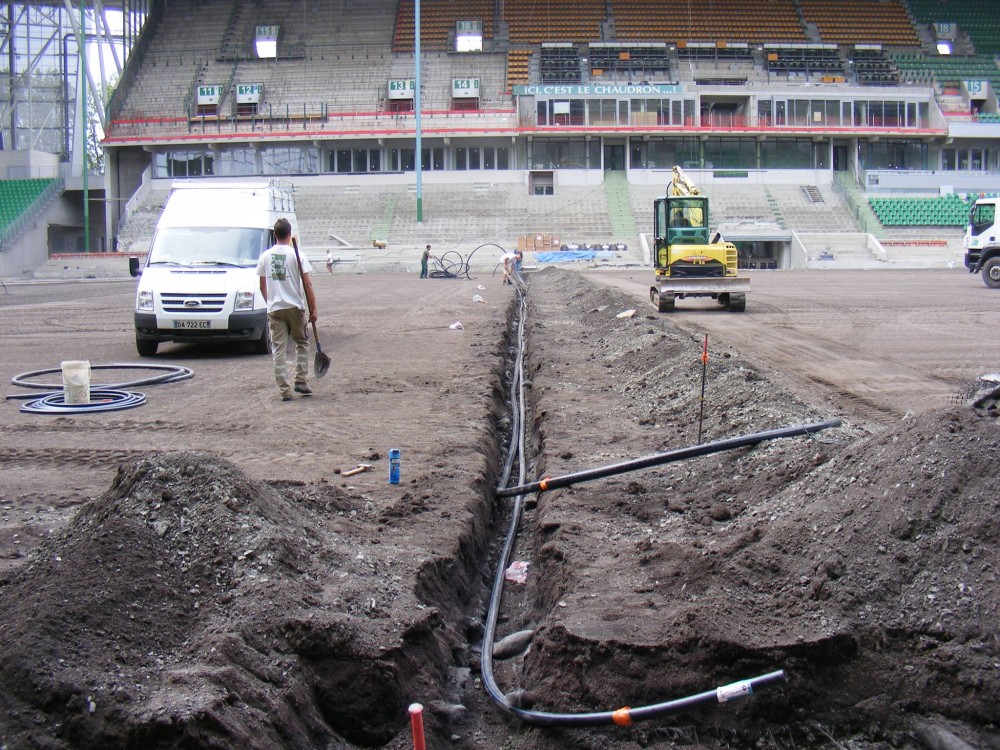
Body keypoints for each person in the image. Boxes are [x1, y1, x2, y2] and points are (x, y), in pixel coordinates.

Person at [257, 218, 318, 401]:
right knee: (302, 343)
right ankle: (300, 379)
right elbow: (307, 284)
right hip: (295, 306)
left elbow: (262, 286)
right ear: (290, 235)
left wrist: (270, 302)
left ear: (274, 235)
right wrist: (314, 309)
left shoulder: (265, 256)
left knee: (279, 349)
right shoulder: (296, 255)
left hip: (275, 308)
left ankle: (284, 389)